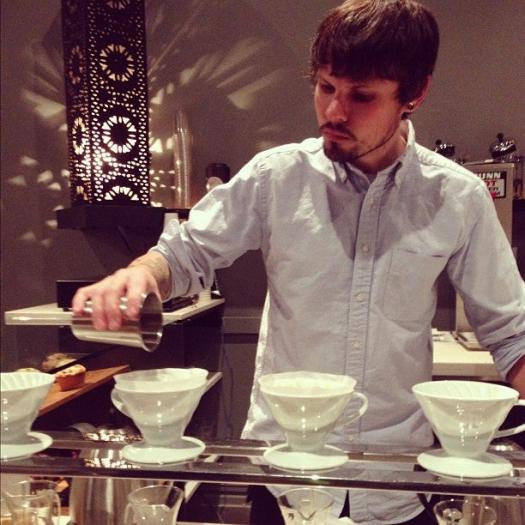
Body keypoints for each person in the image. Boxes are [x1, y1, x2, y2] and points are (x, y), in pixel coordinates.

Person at [73, 0, 525, 523]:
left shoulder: (458, 196)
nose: (334, 111)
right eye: (326, 87)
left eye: (361, 96)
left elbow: (512, 332)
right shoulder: (276, 176)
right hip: (284, 471)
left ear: (414, 95)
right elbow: (186, 251)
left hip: (394, 478)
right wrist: (139, 273)